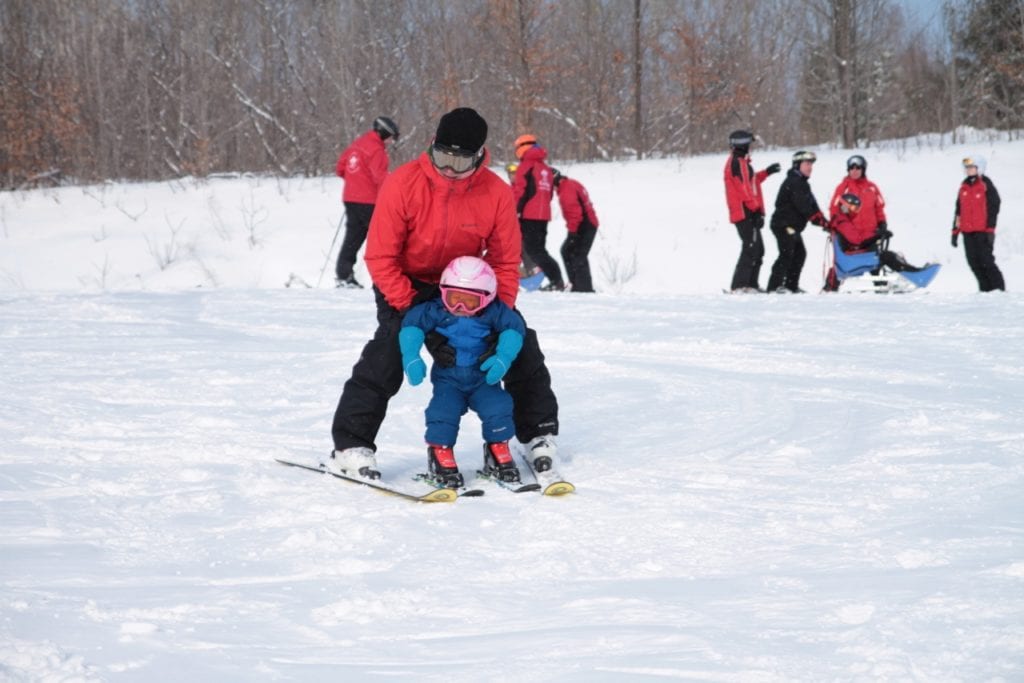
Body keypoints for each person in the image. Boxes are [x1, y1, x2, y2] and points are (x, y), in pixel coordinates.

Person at [328, 107, 559, 481]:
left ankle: (537, 435)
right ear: (431, 145)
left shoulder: (496, 193)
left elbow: (504, 260)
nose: (449, 168)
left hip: (467, 286)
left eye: (460, 159)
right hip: (405, 283)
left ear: (479, 156)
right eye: (442, 156)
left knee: (519, 342)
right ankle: (351, 445)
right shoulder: (402, 183)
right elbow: (380, 255)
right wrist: (410, 303)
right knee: (389, 350)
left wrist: (495, 314)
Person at [399, 256, 526, 488]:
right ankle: (441, 453)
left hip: (483, 379)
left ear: (486, 297)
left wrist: (503, 358)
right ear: (443, 291)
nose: (460, 308)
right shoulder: (436, 310)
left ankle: (498, 448)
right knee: (442, 413)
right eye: (454, 299)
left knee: (499, 407)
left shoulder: (494, 311)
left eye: (470, 302)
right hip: (449, 380)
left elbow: (514, 329)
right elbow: (412, 325)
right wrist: (411, 356)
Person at [333, 116, 399, 288]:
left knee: (353, 237)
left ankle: (344, 275)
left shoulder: (357, 144)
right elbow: (381, 178)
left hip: (350, 198)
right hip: (369, 201)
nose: (391, 142)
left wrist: (355, 181)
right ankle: (386, 278)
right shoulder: (377, 150)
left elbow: (340, 168)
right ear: (385, 133)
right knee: (384, 238)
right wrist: (395, 191)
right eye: (392, 138)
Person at [823, 193, 930, 291]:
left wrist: (877, 234)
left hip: (849, 258)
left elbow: (857, 238)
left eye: (856, 209)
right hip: (849, 261)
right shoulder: (842, 221)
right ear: (844, 206)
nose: (854, 211)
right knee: (886, 256)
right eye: (853, 208)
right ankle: (915, 276)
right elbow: (858, 241)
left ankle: (891, 281)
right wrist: (877, 235)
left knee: (879, 251)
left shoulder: (841, 220)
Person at [723, 130, 781, 292]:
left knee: (758, 249)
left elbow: (751, 182)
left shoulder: (741, 162)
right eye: (749, 144)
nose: (750, 147)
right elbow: (744, 190)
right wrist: (755, 210)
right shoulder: (737, 163)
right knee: (751, 248)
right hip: (744, 213)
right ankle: (739, 286)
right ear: (742, 145)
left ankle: (751, 284)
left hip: (747, 211)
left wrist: (767, 172)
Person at [767, 150, 827, 293]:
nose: (810, 167)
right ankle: (774, 287)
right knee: (787, 253)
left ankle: (790, 286)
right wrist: (817, 219)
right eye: (806, 164)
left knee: (799, 253)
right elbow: (804, 207)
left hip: (791, 226)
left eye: (811, 164)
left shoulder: (802, 183)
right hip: (783, 225)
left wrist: (824, 221)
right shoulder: (794, 182)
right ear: (797, 165)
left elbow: (812, 204)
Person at [511, 134, 564, 291]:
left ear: (522, 148)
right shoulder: (546, 169)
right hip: (543, 216)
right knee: (539, 250)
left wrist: (515, 211)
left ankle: (556, 281)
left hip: (529, 215)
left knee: (533, 251)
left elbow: (520, 192)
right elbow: (548, 194)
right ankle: (555, 280)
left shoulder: (525, 166)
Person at [952, 155, 1004, 292]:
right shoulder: (963, 186)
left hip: (982, 231)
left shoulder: (986, 184)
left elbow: (994, 205)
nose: (968, 170)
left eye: (971, 167)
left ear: (979, 168)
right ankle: (985, 291)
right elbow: (959, 211)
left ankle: (999, 291)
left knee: (987, 262)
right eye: (967, 168)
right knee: (974, 263)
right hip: (967, 232)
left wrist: (990, 229)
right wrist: (955, 232)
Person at [552, 168, 600, 293]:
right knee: (568, 251)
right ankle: (578, 285)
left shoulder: (566, 190)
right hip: (587, 223)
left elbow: (575, 213)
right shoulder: (571, 183)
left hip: (584, 225)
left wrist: (572, 232)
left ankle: (584, 289)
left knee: (578, 255)